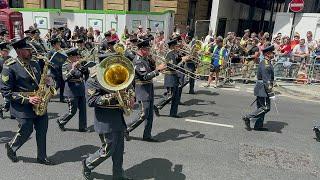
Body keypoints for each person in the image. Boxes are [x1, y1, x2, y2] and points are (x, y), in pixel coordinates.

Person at [1, 37, 53, 165]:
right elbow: (6, 92)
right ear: (18, 51)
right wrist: (28, 99)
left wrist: (49, 82)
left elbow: (40, 82)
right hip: (22, 105)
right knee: (27, 129)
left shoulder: (34, 63)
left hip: (39, 102)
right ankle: (12, 147)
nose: (30, 52)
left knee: (42, 130)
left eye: (30, 49)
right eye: (27, 50)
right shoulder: (10, 67)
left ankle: (42, 156)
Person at [82, 61, 133, 180]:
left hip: (118, 118)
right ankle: (88, 163)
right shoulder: (93, 80)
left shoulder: (117, 75)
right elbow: (91, 101)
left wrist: (130, 97)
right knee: (108, 149)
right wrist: (113, 96)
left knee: (119, 150)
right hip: (105, 121)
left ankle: (118, 174)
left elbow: (129, 87)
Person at [125, 38, 166, 142]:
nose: (149, 51)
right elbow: (145, 77)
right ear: (142, 49)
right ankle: (126, 129)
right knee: (144, 114)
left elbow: (151, 71)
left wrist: (156, 66)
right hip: (142, 90)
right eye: (147, 49)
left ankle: (147, 135)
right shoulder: (138, 61)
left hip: (149, 89)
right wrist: (158, 70)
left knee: (150, 115)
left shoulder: (145, 59)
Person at [242, 45, 275, 131]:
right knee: (265, 108)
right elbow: (266, 79)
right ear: (268, 54)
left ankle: (258, 126)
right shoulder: (266, 64)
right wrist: (271, 92)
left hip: (261, 88)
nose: (273, 54)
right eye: (272, 52)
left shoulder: (265, 62)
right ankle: (248, 117)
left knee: (261, 108)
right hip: (263, 89)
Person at [56, 48, 89, 132]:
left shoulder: (79, 65)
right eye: (75, 57)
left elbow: (85, 76)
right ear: (70, 57)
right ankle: (61, 121)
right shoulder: (65, 65)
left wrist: (85, 69)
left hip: (81, 90)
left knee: (83, 110)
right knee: (72, 111)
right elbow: (65, 78)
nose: (77, 58)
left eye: (78, 57)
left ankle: (82, 127)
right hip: (71, 92)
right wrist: (73, 69)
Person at [154, 39, 184, 118]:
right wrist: (182, 62)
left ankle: (173, 113)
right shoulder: (170, 54)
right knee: (171, 96)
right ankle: (158, 106)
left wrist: (184, 59)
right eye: (176, 46)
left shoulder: (175, 53)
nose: (178, 47)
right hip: (170, 77)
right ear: (172, 46)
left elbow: (178, 62)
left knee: (175, 96)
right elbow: (172, 67)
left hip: (174, 77)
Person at [48, 37, 66, 102]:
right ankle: (48, 96)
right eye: (57, 44)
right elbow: (48, 61)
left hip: (61, 69)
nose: (59, 45)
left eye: (59, 43)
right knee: (57, 84)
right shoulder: (51, 52)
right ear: (54, 45)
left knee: (62, 84)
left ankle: (62, 98)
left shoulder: (62, 50)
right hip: (54, 70)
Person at [0, 42, 11, 118]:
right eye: (5, 51)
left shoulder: (10, 58)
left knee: (9, 97)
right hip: (1, 81)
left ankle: (9, 108)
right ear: (1, 51)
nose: (7, 52)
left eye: (7, 51)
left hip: (9, 81)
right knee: (5, 96)